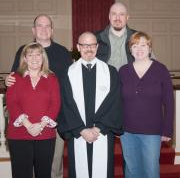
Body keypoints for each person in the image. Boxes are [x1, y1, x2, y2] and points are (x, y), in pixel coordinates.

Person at [5, 14, 72, 178]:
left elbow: (69, 86)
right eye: (39, 26)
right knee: (25, 169)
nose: (43, 29)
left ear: (52, 30)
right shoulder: (23, 50)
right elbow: (15, 79)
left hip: (53, 119)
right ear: (33, 30)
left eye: (47, 25)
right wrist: (8, 80)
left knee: (52, 167)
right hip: (23, 124)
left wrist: (46, 122)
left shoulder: (62, 52)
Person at [57, 31, 123, 178]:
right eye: (84, 45)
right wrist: (81, 130)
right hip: (78, 133)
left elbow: (115, 102)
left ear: (97, 47)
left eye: (92, 45)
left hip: (102, 132)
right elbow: (65, 104)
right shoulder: (67, 73)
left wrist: (99, 128)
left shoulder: (110, 72)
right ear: (78, 47)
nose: (89, 48)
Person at [119, 31, 174, 178]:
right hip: (127, 131)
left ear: (150, 48)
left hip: (152, 132)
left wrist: (168, 130)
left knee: (151, 171)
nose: (139, 49)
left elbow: (169, 103)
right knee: (131, 171)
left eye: (143, 45)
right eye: (135, 45)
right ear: (130, 49)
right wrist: (117, 126)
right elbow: (118, 102)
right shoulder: (123, 71)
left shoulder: (161, 70)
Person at [6, 42, 61, 178]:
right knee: (21, 174)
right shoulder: (14, 77)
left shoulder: (52, 78)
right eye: (30, 55)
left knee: (44, 174)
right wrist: (29, 125)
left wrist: (41, 125)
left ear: (43, 58)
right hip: (19, 134)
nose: (35, 58)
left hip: (45, 134)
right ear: (25, 58)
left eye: (38, 54)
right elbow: (12, 103)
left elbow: (55, 103)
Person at [95, 2, 136, 70]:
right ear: (109, 17)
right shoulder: (96, 37)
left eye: (121, 14)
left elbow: (150, 61)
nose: (117, 18)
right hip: (105, 79)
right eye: (114, 14)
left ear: (127, 17)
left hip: (130, 79)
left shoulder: (138, 37)